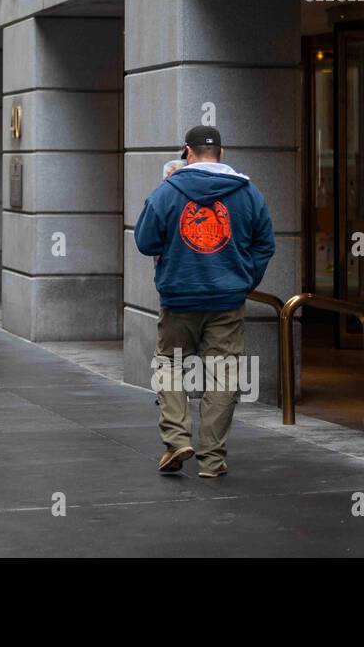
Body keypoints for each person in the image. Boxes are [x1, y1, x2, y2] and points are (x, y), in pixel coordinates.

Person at [134, 125, 275, 478]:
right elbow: (265, 243)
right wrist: (244, 278)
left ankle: (177, 437)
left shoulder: (168, 191)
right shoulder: (248, 193)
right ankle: (212, 459)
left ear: (187, 151)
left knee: (170, 365)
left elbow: (145, 241)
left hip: (179, 297)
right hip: (227, 298)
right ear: (222, 154)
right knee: (223, 374)